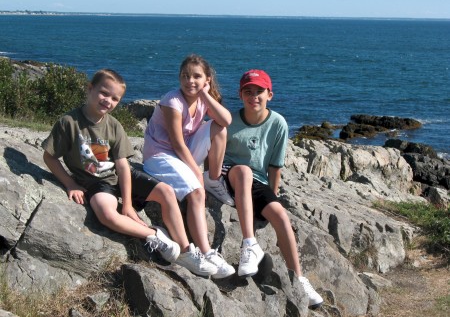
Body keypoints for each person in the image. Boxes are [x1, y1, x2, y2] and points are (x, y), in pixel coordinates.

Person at [41, 68, 202, 273]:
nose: (108, 101)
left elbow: (123, 166)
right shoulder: (69, 122)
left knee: (166, 192)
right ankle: (153, 235)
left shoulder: (114, 125)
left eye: (115, 98)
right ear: (90, 89)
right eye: (104, 93)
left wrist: (127, 204)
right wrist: (70, 183)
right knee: (106, 212)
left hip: (121, 177)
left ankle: (186, 251)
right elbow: (49, 156)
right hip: (97, 182)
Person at [221, 69, 324, 309]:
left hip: (258, 181)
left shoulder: (278, 123)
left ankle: (298, 279)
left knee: (280, 215)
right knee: (243, 171)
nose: (253, 96)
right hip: (230, 173)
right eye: (248, 91)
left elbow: (274, 167)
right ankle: (249, 244)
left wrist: (271, 201)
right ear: (240, 94)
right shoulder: (229, 120)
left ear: (270, 94)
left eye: (259, 92)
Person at [142, 54, 235, 279]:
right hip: (161, 155)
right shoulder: (172, 101)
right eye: (185, 76)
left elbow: (226, 120)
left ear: (207, 79)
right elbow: (176, 143)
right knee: (195, 192)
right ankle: (204, 252)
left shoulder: (203, 98)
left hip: (181, 154)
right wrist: (196, 174)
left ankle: (214, 177)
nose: (189, 81)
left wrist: (205, 93)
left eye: (196, 76)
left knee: (219, 128)